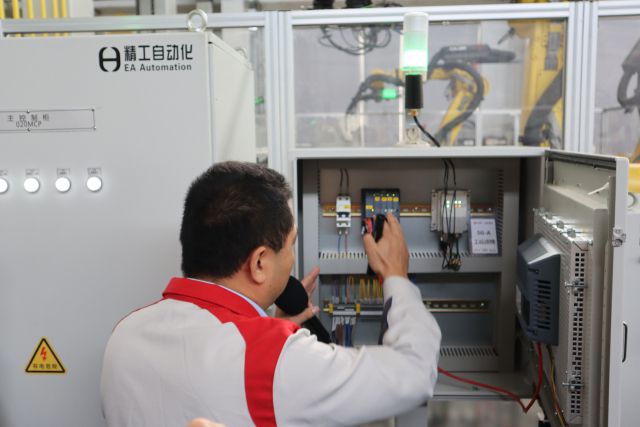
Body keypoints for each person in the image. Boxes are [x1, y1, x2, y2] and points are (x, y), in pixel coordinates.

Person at [100, 161, 441, 426]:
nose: (292, 258)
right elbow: (414, 373)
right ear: (260, 262)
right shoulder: (273, 359)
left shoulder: (125, 334)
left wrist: (262, 325)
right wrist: (396, 276)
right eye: (291, 244)